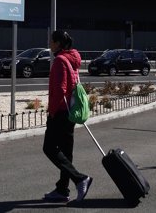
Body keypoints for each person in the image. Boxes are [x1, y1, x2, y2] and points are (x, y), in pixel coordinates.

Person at [42, 30, 92, 203]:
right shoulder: (72, 59)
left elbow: (60, 90)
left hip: (60, 112)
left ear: (57, 43)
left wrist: (52, 112)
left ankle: (80, 179)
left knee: (49, 148)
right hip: (70, 111)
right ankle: (62, 190)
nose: (49, 44)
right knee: (65, 151)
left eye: (51, 41)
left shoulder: (59, 61)